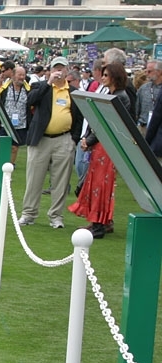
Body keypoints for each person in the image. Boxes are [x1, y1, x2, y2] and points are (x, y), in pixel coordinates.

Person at [17, 56, 83, 231]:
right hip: (41, 139)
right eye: (55, 68)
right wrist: (48, 83)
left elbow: (79, 118)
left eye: (62, 68)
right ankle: (29, 213)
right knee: (34, 179)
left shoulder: (73, 92)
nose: (59, 72)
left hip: (64, 139)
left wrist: (73, 139)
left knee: (60, 181)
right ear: (50, 70)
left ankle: (56, 216)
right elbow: (30, 100)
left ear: (68, 71)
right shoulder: (41, 86)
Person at [68, 62, 130, 239]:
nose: (102, 78)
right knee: (96, 183)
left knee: (101, 185)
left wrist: (90, 139)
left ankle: (100, 224)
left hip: (109, 147)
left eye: (106, 75)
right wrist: (88, 139)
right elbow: (97, 120)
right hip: (101, 145)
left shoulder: (120, 97)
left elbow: (109, 124)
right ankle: (99, 221)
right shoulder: (109, 94)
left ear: (115, 77)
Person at [0, 65, 29, 181]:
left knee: (14, 148)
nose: (22, 77)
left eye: (23, 75)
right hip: (3, 123)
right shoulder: (4, 89)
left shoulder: (28, 89)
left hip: (20, 125)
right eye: (19, 75)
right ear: (13, 75)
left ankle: (7, 172)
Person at [143, 62, 162, 157]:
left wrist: (147, 141)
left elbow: (157, 117)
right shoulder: (144, 89)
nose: (146, 74)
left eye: (149, 71)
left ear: (158, 72)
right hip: (144, 125)